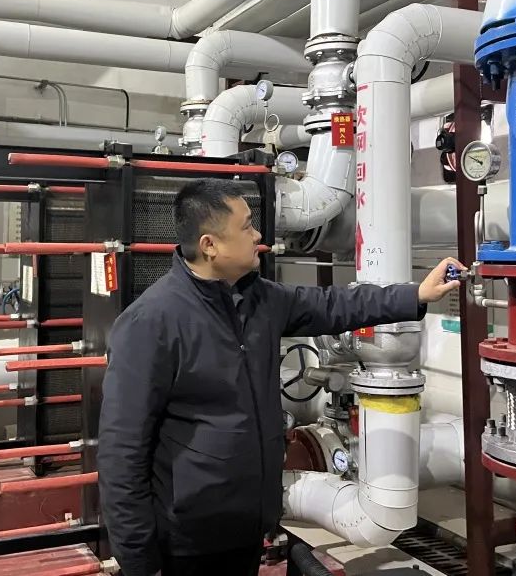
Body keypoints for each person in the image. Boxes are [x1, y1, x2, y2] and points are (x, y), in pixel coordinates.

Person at [98, 178, 463, 576]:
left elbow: (336, 305)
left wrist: (415, 295)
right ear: (209, 245)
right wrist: (139, 561)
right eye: (246, 226)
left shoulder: (260, 299)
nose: (257, 235)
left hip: (247, 526)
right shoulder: (151, 323)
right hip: (188, 541)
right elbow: (122, 453)